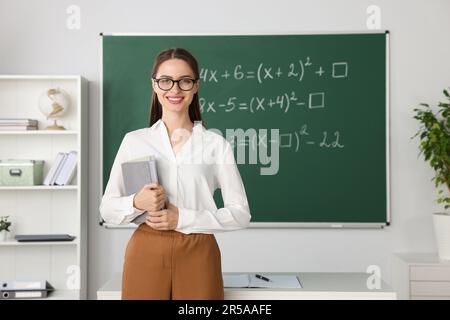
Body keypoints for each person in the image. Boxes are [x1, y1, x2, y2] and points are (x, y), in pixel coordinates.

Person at [99, 47, 251, 300]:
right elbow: (107, 210)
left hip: (199, 250)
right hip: (146, 249)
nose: (175, 90)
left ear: (196, 86)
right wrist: (137, 202)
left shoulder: (216, 145)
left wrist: (182, 218)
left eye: (185, 81)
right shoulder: (134, 141)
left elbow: (240, 213)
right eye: (166, 81)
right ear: (155, 85)